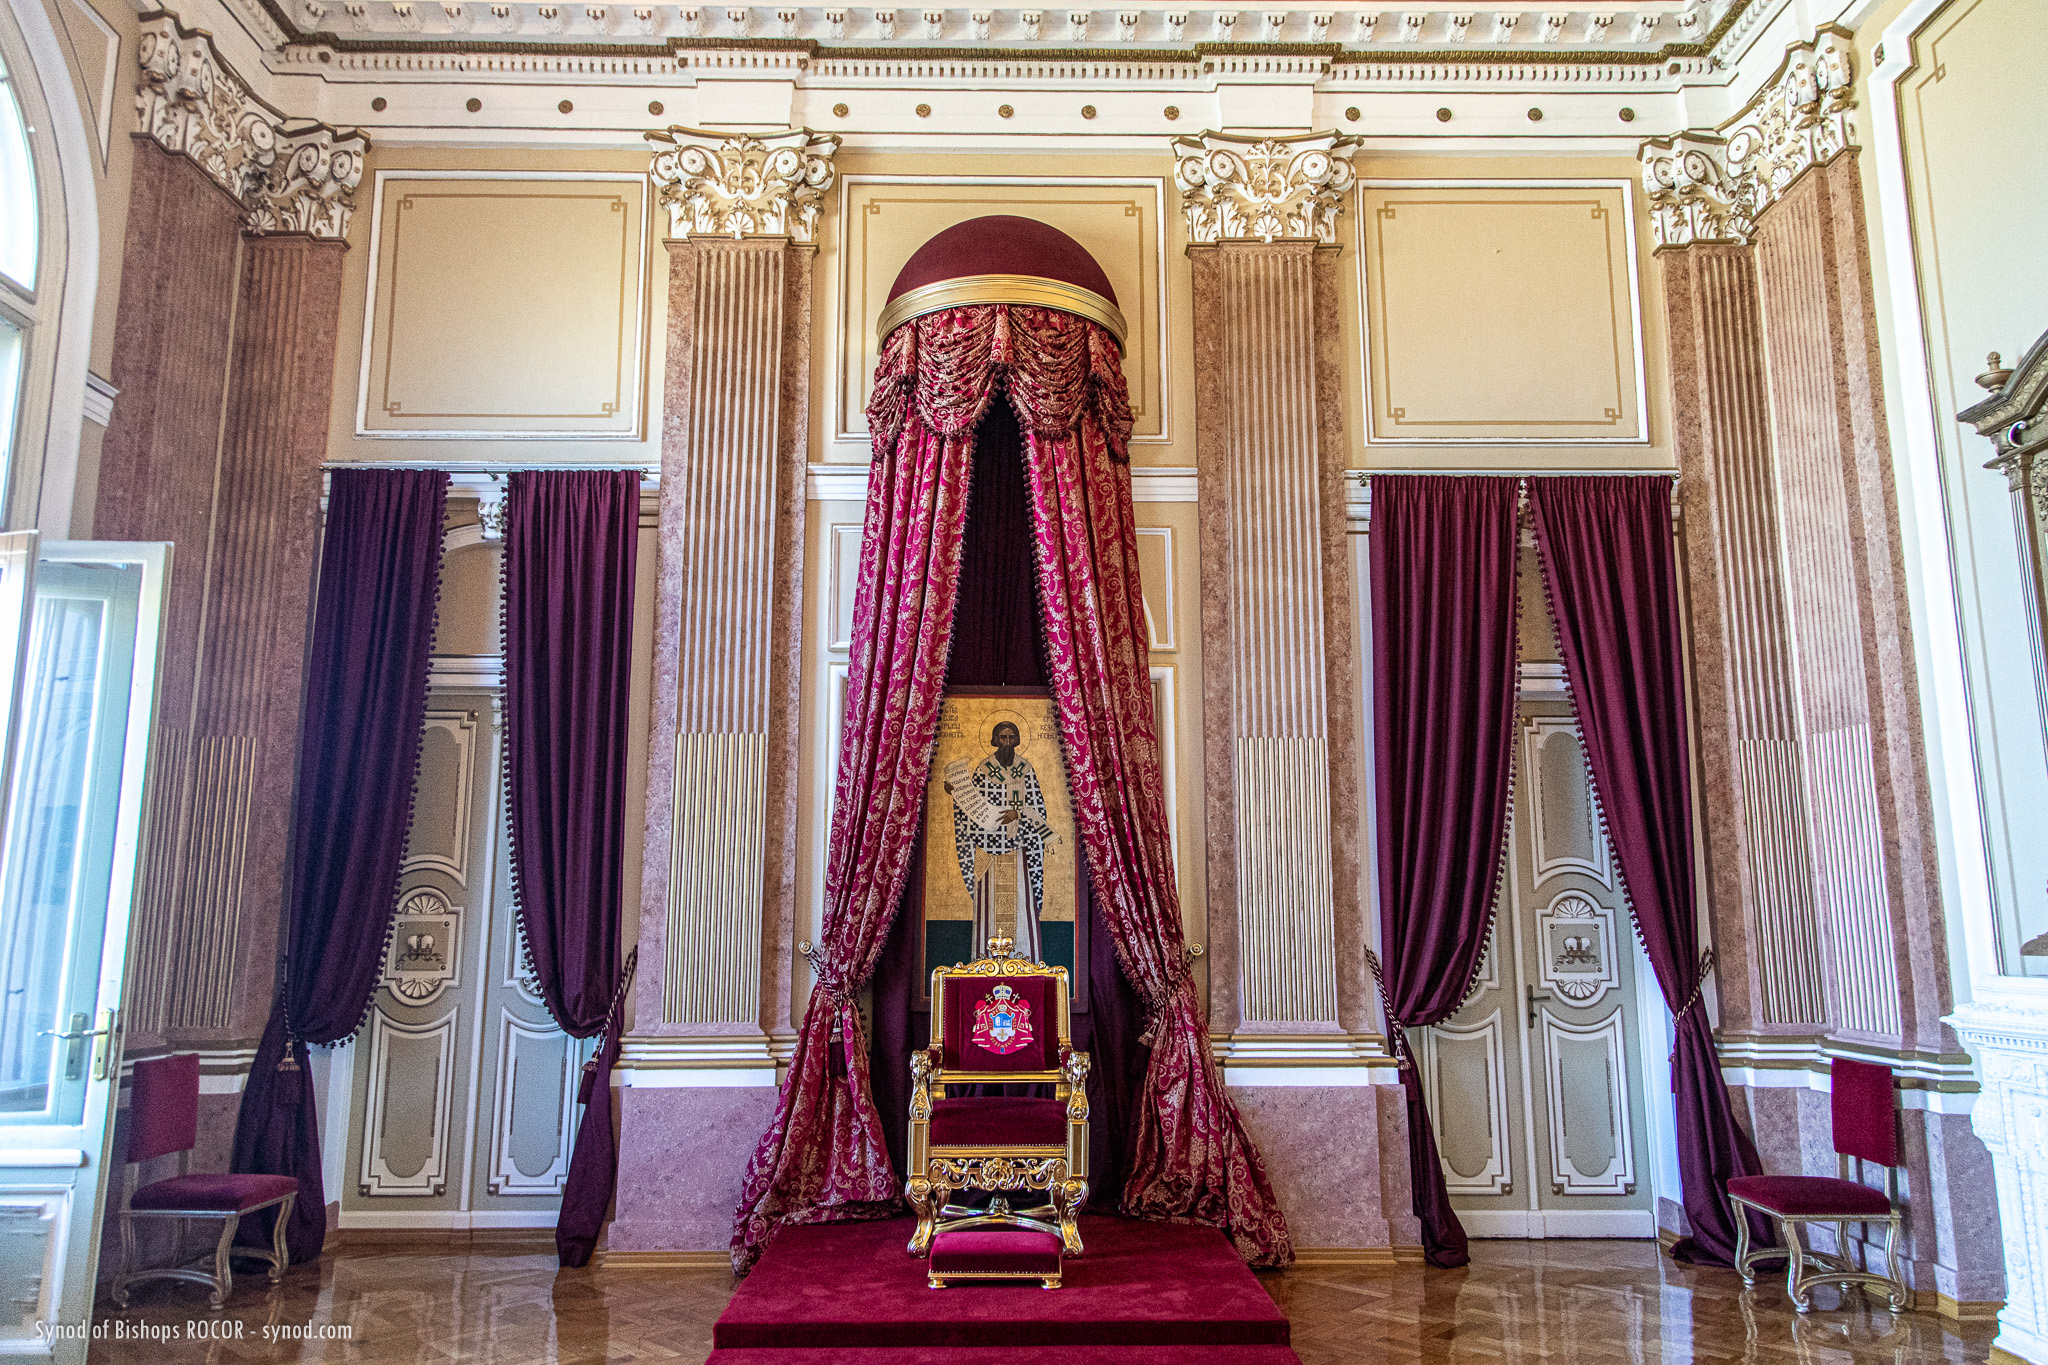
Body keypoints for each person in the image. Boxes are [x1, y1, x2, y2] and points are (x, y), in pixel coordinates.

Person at [945, 720, 1056, 961]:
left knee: (1020, 904)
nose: (1007, 743)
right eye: (1003, 737)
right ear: (995, 740)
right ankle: (985, 961)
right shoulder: (984, 770)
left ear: (1017, 740)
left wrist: (1018, 813)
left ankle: (1025, 959)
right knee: (989, 905)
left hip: (1019, 851)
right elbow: (971, 806)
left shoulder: (1026, 769)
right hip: (988, 850)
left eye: (1011, 737)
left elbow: (1039, 809)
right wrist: (956, 792)